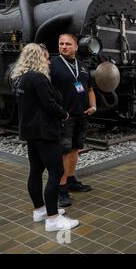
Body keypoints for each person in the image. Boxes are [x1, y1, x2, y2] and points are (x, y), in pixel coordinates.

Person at [11, 43, 79, 232]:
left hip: (30, 132)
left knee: (36, 170)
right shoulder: (39, 78)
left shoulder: (19, 79)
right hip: (45, 132)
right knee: (56, 172)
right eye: (46, 57)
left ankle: (40, 210)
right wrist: (64, 114)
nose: (49, 61)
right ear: (38, 58)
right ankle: (53, 219)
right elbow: (49, 104)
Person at [50, 34, 96, 207]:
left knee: (76, 148)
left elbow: (90, 89)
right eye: (61, 43)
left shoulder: (82, 67)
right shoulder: (53, 66)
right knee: (64, 152)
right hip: (64, 117)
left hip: (81, 115)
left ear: (76, 47)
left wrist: (93, 106)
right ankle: (61, 189)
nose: (63, 47)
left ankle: (71, 179)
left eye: (68, 44)